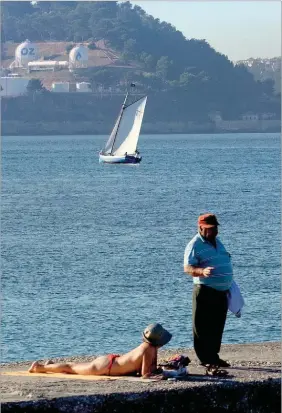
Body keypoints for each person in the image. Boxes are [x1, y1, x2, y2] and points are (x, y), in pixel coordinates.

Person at [183, 213, 233, 376]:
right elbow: (188, 268)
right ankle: (205, 358)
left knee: (217, 325)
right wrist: (202, 271)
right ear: (201, 228)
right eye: (210, 229)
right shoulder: (194, 244)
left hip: (221, 291)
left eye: (215, 228)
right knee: (202, 326)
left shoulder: (217, 242)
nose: (213, 231)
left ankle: (214, 356)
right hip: (205, 290)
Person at [28, 323, 172, 379]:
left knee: (74, 366)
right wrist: (165, 375)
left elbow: (149, 369)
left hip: (110, 362)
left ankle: (51, 365)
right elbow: (145, 374)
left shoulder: (149, 347)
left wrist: (162, 370)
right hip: (106, 367)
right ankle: (39, 367)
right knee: (71, 368)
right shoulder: (148, 349)